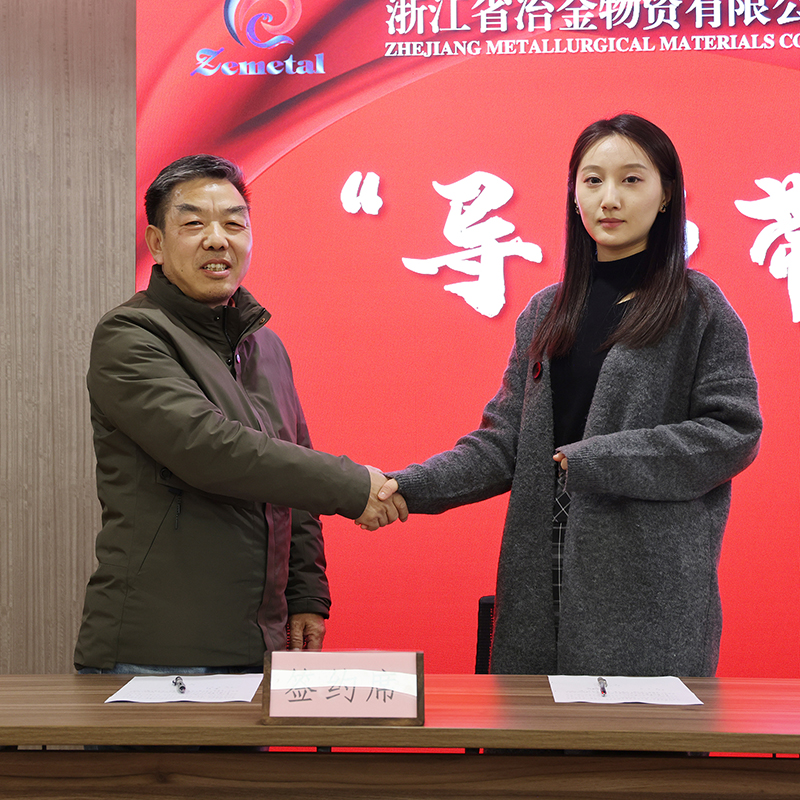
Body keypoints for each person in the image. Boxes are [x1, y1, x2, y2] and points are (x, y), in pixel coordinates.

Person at [378, 114, 762, 677]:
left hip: (647, 586)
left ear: (666, 196)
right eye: (593, 180)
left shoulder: (698, 305)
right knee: (534, 731)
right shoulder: (546, 310)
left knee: (635, 733)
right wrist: (403, 486)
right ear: (574, 194)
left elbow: (733, 433)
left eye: (631, 180)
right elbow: (503, 446)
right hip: (540, 566)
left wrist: (599, 459)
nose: (610, 198)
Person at [74, 154, 406, 674]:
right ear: (156, 243)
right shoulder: (131, 335)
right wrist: (352, 486)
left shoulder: (265, 346)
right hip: (157, 652)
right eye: (193, 224)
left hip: (259, 646)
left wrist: (306, 595)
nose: (217, 240)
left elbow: (291, 471)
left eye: (233, 224)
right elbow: (213, 450)